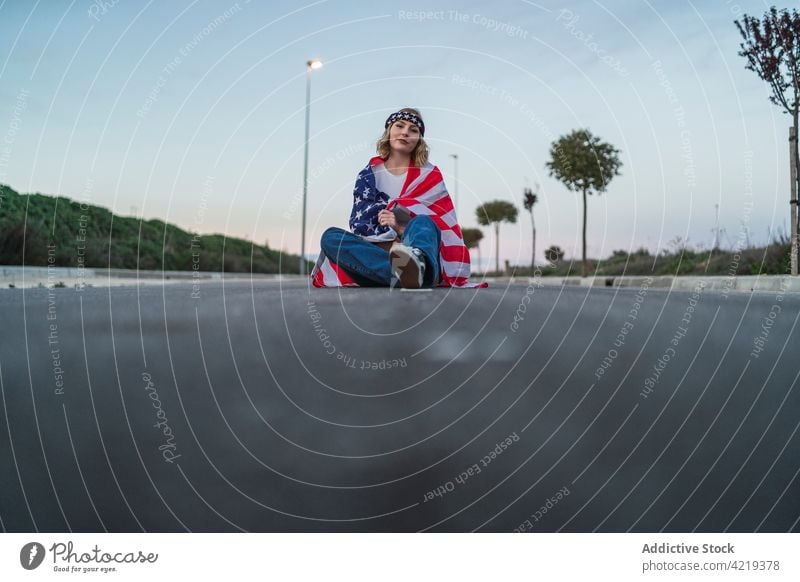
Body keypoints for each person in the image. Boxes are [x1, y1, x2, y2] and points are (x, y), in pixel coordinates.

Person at [311, 108, 483, 289]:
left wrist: (401, 225)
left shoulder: (429, 175)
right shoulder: (367, 176)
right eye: (399, 125)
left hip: (416, 253)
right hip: (374, 255)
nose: (405, 132)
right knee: (331, 237)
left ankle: (414, 269)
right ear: (389, 131)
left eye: (413, 130)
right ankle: (406, 274)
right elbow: (360, 226)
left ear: (419, 139)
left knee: (424, 221)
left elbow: (439, 225)